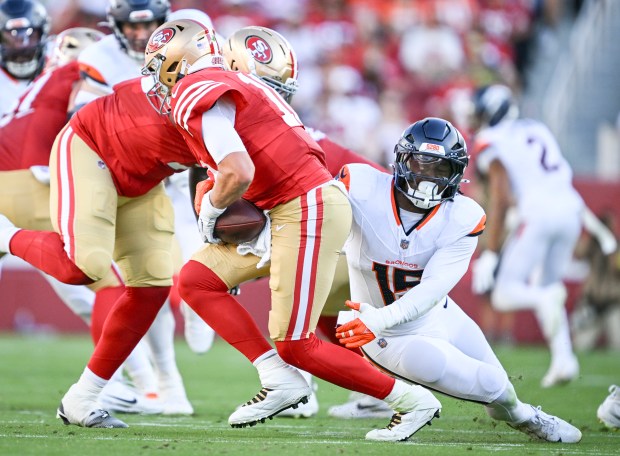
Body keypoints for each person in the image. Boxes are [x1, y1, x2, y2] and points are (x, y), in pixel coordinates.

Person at [143, 19, 442, 440]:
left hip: (304, 208)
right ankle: (278, 378)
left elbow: (238, 170)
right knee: (196, 280)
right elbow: (238, 167)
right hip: (284, 209)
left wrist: (211, 212)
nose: (156, 79)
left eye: (158, 66)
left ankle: (410, 400)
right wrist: (215, 193)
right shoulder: (236, 82)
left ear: (176, 63)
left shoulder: (199, 86)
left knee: (296, 342)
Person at [333, 116, 582, 443]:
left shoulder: (463, 216)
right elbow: (313, 216)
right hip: (389, 336)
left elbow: (433, 288)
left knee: (502, 394)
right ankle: (524, 416)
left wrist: (379, 318)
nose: (427, 178)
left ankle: (519, 412)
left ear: (457, 173)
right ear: (402, 160)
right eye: (421, 165)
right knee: (490, 384)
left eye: (440, 169)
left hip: (439, 315)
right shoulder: (361, 186)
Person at [220, 24, 392, 420]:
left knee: (295, 310)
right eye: (268, 90)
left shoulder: (293, 139)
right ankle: (375, 385)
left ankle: (304, 388)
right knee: (324, 313)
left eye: (278, 93)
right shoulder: (244, 133)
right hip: (330, 234)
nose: (274, 103)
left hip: (340, 234)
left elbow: (375, 180)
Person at [0, 25, 168, 416]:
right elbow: (88, 123)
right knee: (103, 277)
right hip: (25, 179)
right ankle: (116, 385)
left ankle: (135, 384)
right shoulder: (82, 73)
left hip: (18, 177)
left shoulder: (47, 81)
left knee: (93, 282)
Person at [469, 84, 583, 388]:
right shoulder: (536, 127)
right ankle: (564, 359)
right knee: (548, 286)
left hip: (537, 213)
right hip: (571, 208)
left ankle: (545, 305)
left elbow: (500, 193)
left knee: (505, 293)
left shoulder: (489, 139)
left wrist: (491, 252)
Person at [0, 0, 49, 115]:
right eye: (10, 38)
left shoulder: (59, 60)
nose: (21, 47)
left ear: (42, 34)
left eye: (30, 36)